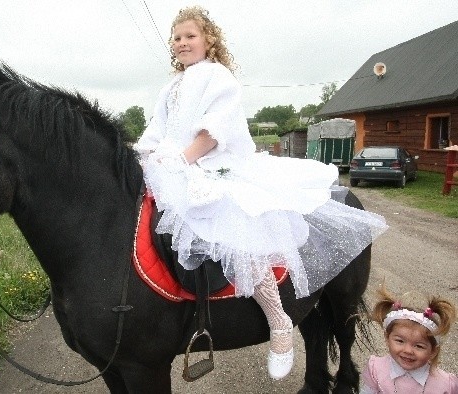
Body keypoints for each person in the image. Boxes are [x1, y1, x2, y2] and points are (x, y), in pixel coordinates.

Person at [134, 5, 388, 380]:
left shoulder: (218, 77)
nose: (183, 42)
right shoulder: (169, 87)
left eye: (191, 36)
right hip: (172, 167)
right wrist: (146, 157)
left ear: (208, 40)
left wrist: (184, 159)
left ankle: (278, 320)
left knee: (235, 230)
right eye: (177, 37)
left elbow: (214, 129)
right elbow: (155, 132)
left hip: (212, 164)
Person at [360, 285, 458, 393]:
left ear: (433, 351)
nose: (408, 350)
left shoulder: (445, 385)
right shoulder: (376, 370)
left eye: (419, 346)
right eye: (400, 341)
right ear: (387, 338)